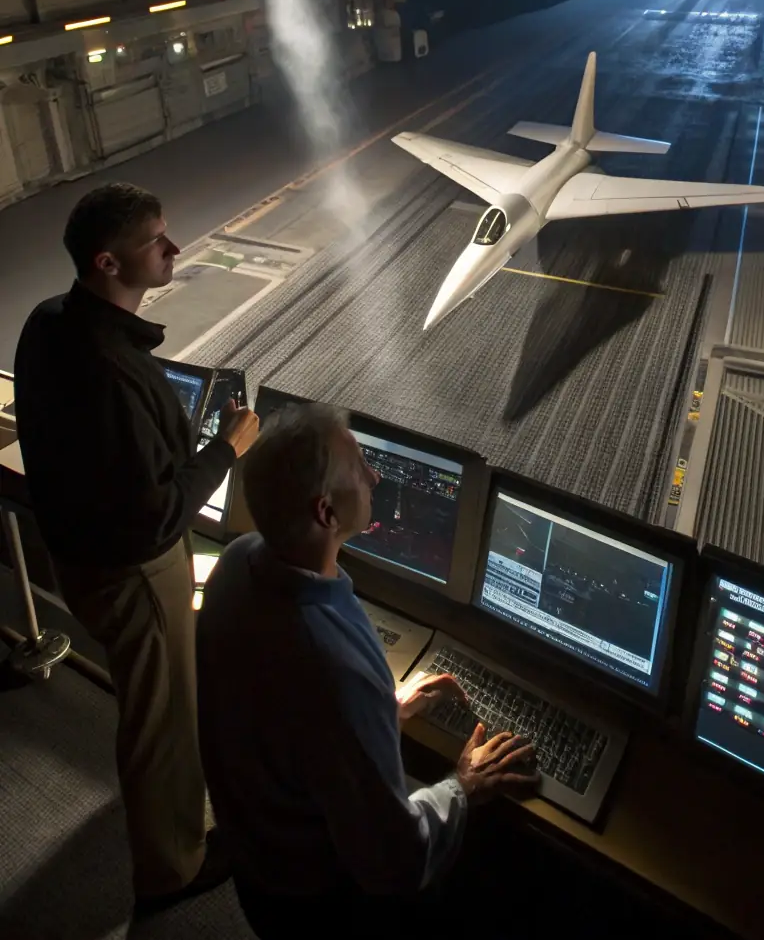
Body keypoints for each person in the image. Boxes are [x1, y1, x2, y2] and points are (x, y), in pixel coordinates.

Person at [196, 402, 538, 937]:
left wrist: (384, 712)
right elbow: (395, 858)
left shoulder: (237, 563)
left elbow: (290, 726)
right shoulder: (333, 665)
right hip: (316, 902)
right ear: (327, 514)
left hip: (257, 860)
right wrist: (464, 785)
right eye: (359, 467)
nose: (375, 476)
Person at [13, 182, 260, 913]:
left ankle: (164, 813)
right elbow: (157, 515)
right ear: (108, 262)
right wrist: (226, 447)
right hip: (134, 573)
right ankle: (170, 869)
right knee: (164, 718)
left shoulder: (48, 321)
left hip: (79, 557)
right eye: (156, 239)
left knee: (150, 705)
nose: (174, 247)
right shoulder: (113, 370)